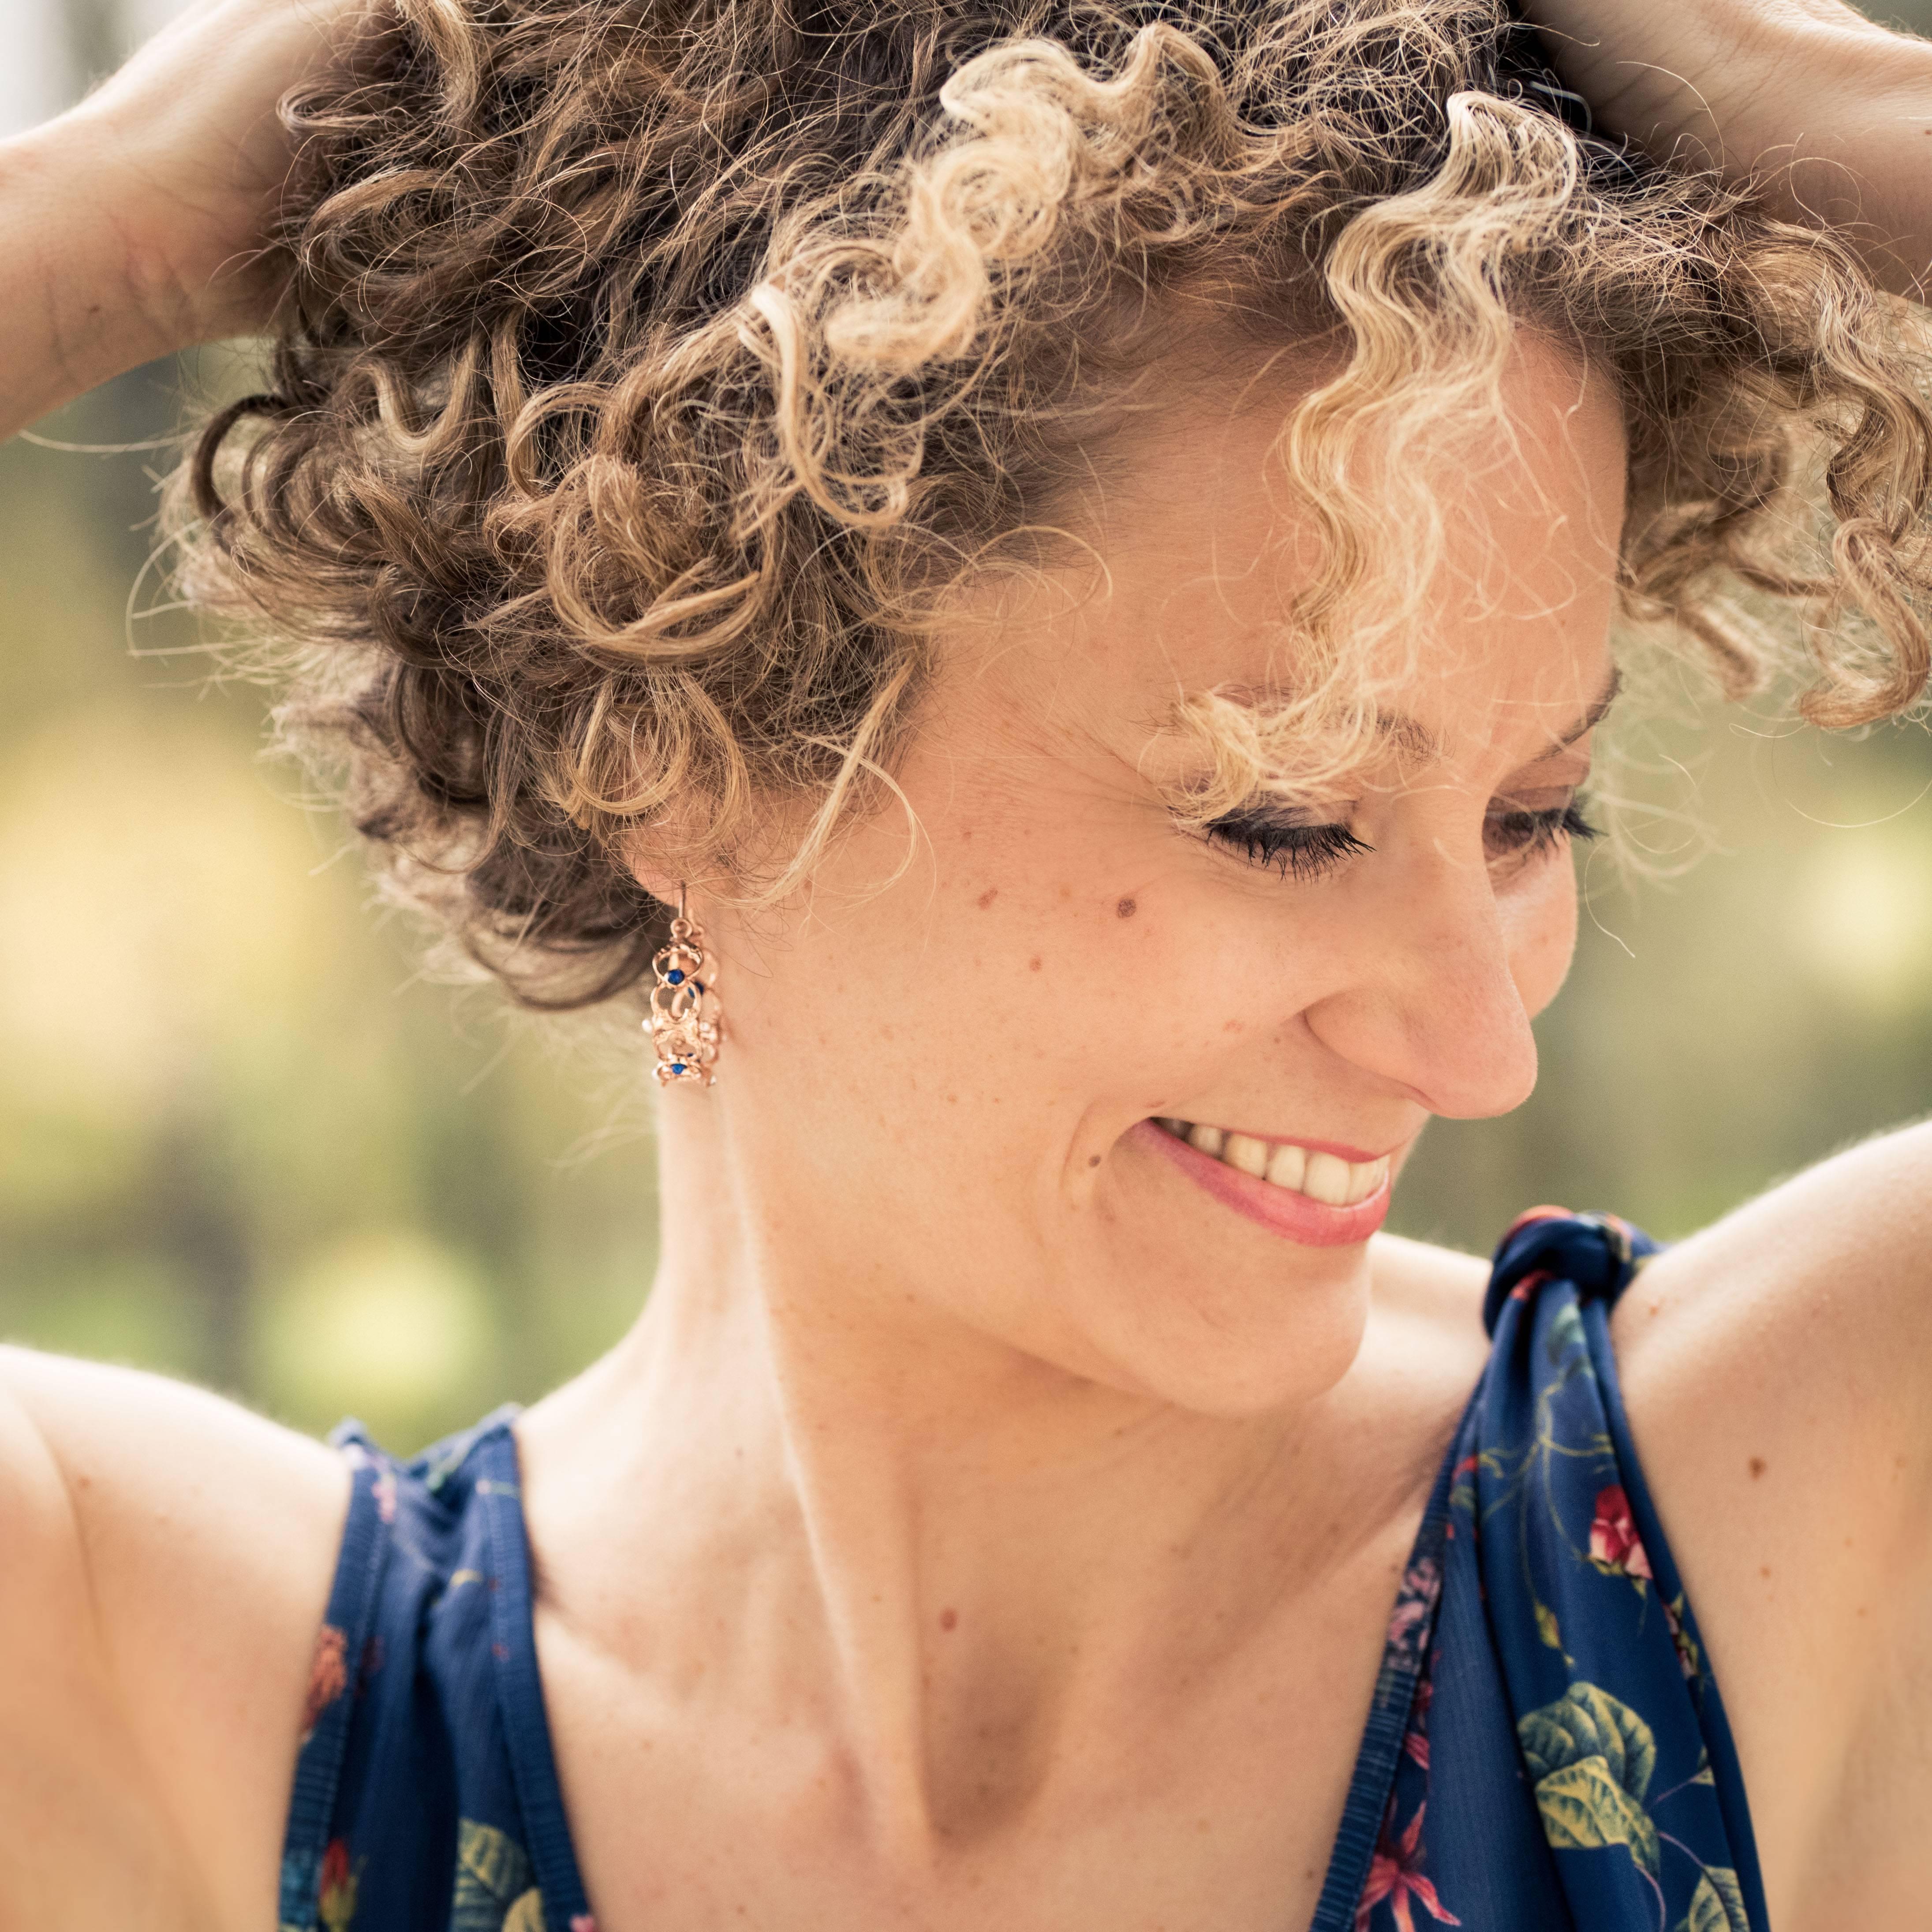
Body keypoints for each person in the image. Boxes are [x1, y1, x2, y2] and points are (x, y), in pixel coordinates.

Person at [2, 0, 1929, 1928]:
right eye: (1281, 819)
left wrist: (1800, 97)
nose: (1476, 1038)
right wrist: (118, 220)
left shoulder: (1767, 1539)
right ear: (671, 741)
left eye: (1534, 815)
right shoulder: (189, 1698)